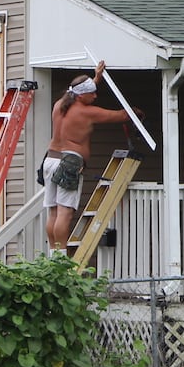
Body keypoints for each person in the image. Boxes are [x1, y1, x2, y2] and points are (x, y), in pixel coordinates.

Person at [43, 60, 139, 251]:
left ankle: (53, 256)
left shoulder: (60, 104)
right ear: (81, 95)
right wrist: (136, 112)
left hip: (50, 160)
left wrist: (96, 78)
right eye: (92, 93)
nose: (95, 96)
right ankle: (61, 258)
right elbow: (119, 116)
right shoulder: (86, 112)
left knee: (53, 212)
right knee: (64, 213)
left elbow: (82, 89)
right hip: (69, 163)